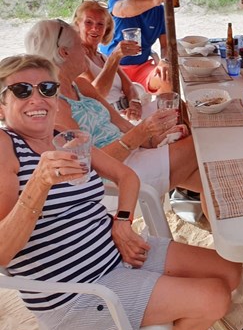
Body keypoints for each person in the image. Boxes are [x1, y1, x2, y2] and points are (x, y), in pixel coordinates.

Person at [0, 54, 241, 330]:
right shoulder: (6, 147)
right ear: (2, 107)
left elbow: (126, 176)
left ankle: (157, 313)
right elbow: (3, 253)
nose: (37, 98)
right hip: (77, 292)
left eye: (47, 89)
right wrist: (38, 184)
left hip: (113, 249)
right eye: (21, 91)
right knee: (214, 297)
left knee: (230, 271)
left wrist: (123, 221)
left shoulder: (65, 137)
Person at [25, 19, 201, 203]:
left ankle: (217, 216)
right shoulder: (56, 106)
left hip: (133, 153)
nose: (85, 51)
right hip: (117, 175)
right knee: (201, 146)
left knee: (208, 178)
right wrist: (142, 132)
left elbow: (121, 123)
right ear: (64, 53)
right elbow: (88, 164)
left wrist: (150, 140)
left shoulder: (81, 85)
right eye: (80, 46)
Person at [72, 0, 153, 121]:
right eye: (89, 22)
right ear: (78, 25)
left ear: (106, 29)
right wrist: (115, 57)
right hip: (108, 119)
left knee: (176, 108)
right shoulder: (76, 57)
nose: (95, 28)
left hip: (126, 114)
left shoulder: (103, 57)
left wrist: (134, 104)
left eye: (100, 24)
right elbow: (96, 95)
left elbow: (130, 87)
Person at [99, 0, 171, 94]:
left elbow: (165, 45)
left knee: (166, 77)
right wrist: (154, 0)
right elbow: (122, 10)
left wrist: (164, 61)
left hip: (141, 68)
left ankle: (167, 113)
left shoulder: (159, 11)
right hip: (111, 68)